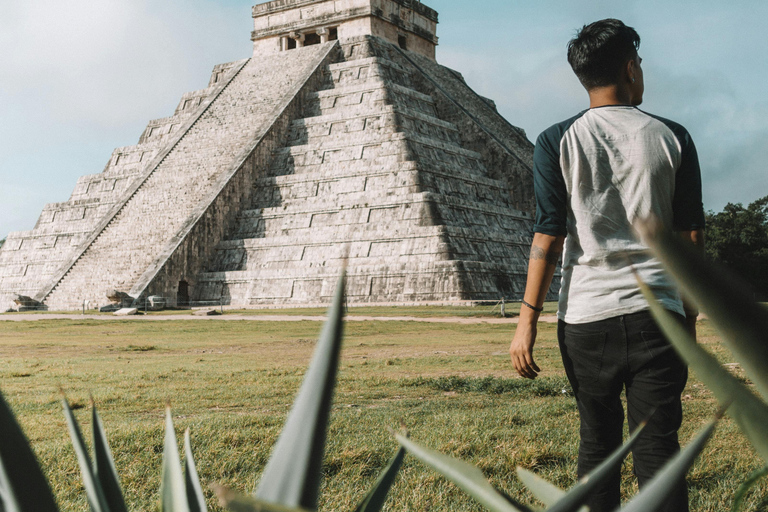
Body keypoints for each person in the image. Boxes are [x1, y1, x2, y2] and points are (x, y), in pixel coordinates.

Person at [509, 19, 705, 512]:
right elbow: (691, 239)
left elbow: (548, 236)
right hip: (658, 312)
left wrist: (525, 322)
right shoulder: (672, 136)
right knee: (659, 450)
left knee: (597, 446)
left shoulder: (556, 140)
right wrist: (689, 317)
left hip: (584, 317)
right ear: (630, 67)